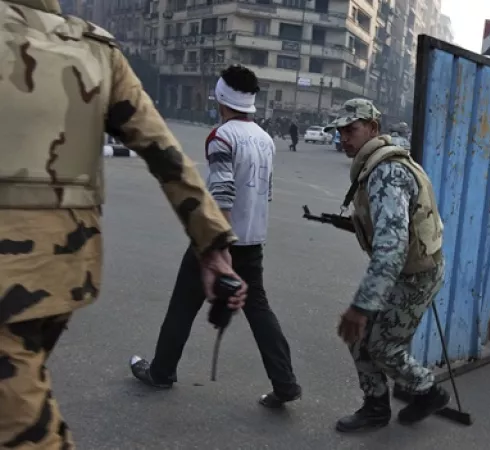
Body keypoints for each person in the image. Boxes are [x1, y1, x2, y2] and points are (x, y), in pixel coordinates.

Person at [0, 2, 247, 448]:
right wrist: (213, 245)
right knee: (22, 395)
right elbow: (165, 152)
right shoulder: (96, 48)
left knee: (23, 429)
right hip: (64, 276)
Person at [130, 65, 302, 407]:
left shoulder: (222, 136)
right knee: (259, 309)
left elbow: (221, 194)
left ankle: (162, 372)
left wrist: (216, 248)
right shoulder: (267, 140)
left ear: (221, 98)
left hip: (219, 241)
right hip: (253, 241)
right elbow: (265, 194)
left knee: (183, 303)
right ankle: (286, 384)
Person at [324, 99, 450, 432]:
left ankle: (428, 391)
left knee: (380, 345)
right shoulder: (376, 166)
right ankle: (376, 408)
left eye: (351, 129)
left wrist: (361, 306)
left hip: (415, 275)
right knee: (359, 338)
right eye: (341, 131)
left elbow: (391, 249)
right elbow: (392, 226)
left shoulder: (386, 173)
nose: (344, 138)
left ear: (373, 128)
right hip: (407, 269)